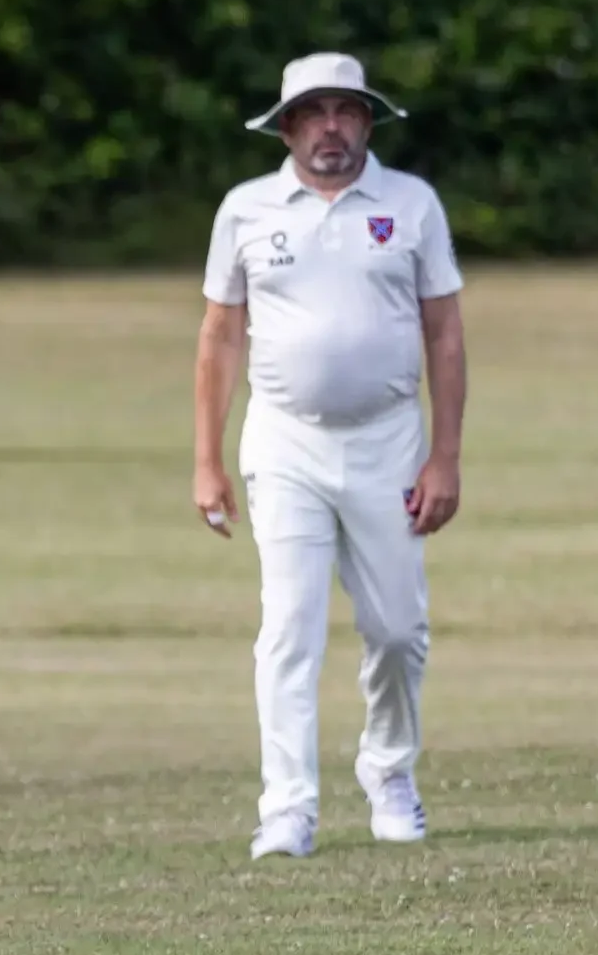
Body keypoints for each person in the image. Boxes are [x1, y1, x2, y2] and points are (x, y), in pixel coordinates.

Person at [194, 53, 468, 859]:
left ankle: (389, 773)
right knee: (288, 627)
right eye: (313, 113)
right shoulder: (246, 210)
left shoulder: (411, 205)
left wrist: (444, 456)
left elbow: (445, 332)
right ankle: (287, 806)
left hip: (388, 440)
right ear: (286, 126)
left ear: (368, 121)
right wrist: (206, 458)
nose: (331, 127)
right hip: (284, 439)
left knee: (395, 628)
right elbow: (219, 335)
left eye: (346, 111)